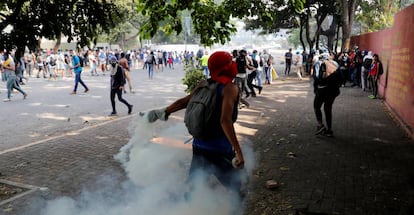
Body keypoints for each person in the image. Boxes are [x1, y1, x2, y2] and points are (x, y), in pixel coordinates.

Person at [144, 51, 245, 195]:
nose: (233, 64)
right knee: (237, 189)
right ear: (225, 67)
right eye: (230, 62)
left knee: (193, 188)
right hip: (219, 149)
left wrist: (164, 112)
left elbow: (185, 101)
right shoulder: (230, 88)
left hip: (199, 146)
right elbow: (225, 120)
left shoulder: (203, 84)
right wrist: (239, 152)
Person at [313, 52, 342, 137]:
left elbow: (317, 77)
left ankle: (320, 125)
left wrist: (316, 88)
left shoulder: (318, 63)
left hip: (322, 89)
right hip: (333, 90)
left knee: (316, 106)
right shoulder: (335, 63)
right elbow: (342, 77)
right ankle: (329, 130)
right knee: (328, 108)